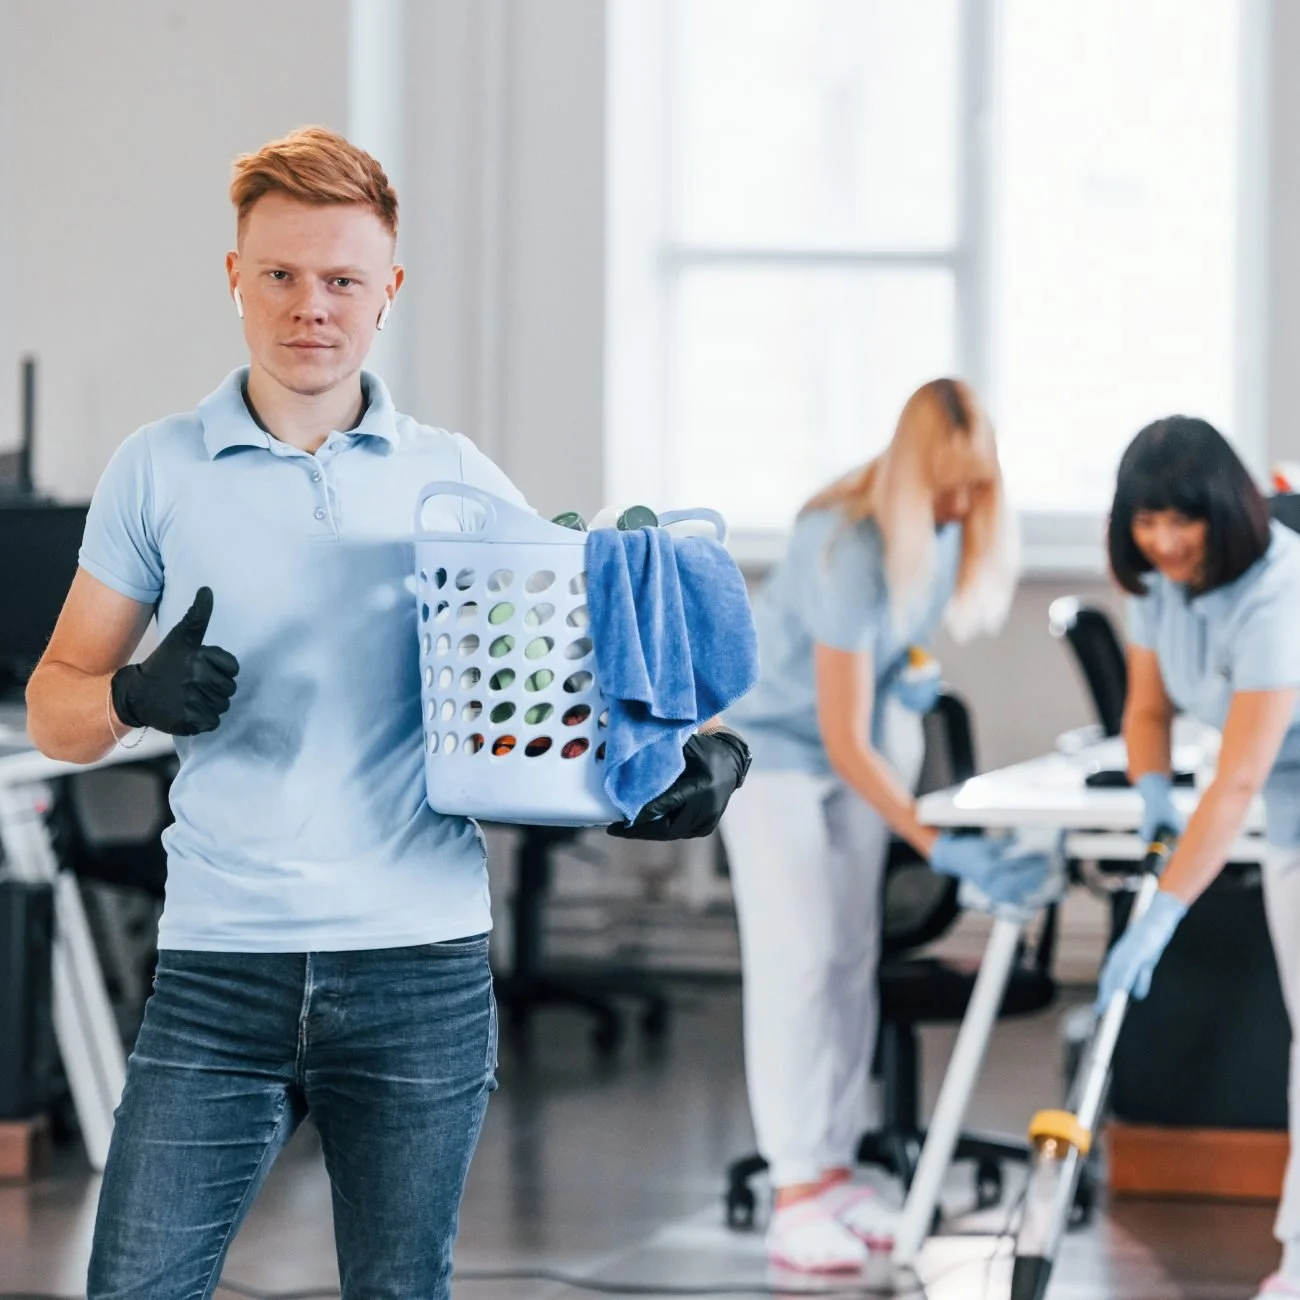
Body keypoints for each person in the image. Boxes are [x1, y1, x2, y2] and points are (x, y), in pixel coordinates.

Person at [25, 126, 747, 1300]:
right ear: (235, 277)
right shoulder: (156, 470)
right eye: (280, 273)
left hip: (417, 970)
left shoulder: (453, 480)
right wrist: (130, 694)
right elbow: (57, 709)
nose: (310, 305)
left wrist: (690, 762)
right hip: (220, 966)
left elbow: (570, 690)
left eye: (342, 279)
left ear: (388, 291)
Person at [720, 378, 1052, 1273]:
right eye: (947, 487)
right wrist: (939, 845)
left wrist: (908, 668)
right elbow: (842, 736)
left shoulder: (939, 531)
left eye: (976, 488)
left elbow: (883, 660)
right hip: (775, 756)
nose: (961, 506)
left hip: (851, 761)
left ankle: (834, 1170)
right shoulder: (840, 539)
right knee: (797, 965)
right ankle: (794, 1190)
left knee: (848, 962)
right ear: (911, 473)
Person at [1096, 416, 1300, 1300]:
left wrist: (1163, 915)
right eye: (1147, 520)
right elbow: (1148, 710)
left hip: (1273, 792)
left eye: (1183, 518)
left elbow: (1238, 779)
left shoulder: (1279, 592)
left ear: (1225, 510)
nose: (1166, 540)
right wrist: (1150, 789)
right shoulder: (1159, 588)